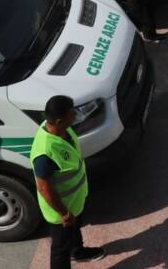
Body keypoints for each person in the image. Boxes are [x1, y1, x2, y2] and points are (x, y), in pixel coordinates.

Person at [30, 95, 106, 268]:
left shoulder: (62, 129)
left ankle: (77, 251)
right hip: (60, 211)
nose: (76, 116)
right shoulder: (44, 154)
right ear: (58, 120)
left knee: (75, 228)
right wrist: (63, 213)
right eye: (72, 114)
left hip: (75, 200)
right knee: (60, 249)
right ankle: (71, 252)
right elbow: (44, 189)